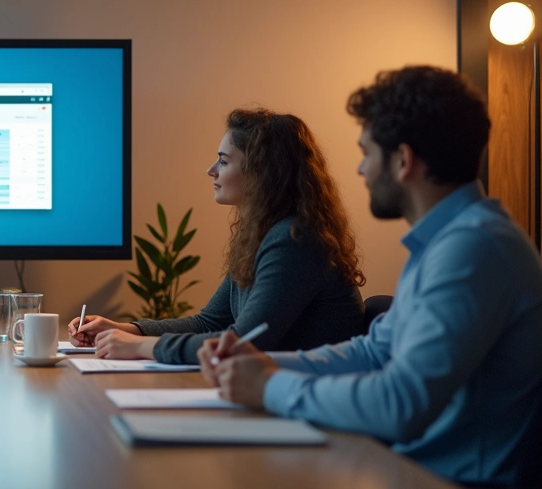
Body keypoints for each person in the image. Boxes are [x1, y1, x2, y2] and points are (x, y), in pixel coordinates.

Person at [201, 67, 542, 486]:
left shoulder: (474, 250)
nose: (361, 170)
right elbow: (373, 352)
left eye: (366, 152)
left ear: (402, 160)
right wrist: (261, 363)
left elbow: (402, 403)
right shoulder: (448, 242)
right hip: (405, 467)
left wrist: (270, 387)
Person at [68, 108, 365, 364]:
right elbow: (209, 322)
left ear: (262, 172)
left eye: (223, 161)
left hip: (305, 406)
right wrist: (128, 329)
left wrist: (142, 347)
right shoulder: (262, 236)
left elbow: (242, 342)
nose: (211, 170)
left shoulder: (294, 240)